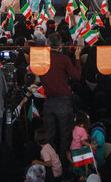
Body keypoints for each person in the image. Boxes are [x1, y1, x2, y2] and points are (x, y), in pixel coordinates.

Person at [40, 33, 82, 161]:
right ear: (60, 45)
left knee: (49, 135)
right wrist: (77, 57)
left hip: (48, 101)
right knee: (65, 134)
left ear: (47, 44)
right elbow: (77, 75)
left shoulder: (42, 59)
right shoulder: (64, 59)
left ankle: (51, 163)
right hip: (63, 101)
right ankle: (63, 163)